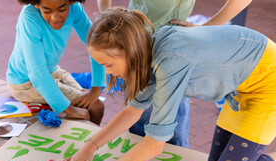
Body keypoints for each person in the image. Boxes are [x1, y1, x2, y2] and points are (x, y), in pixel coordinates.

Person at [59, 8, 276, 161]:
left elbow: (155, 143)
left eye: (108, 64)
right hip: (244, 85)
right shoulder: (147, 51)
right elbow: (131, 113)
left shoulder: (169, 61)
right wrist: (90, 147)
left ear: (130, 53)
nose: (107, 72)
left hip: (269, 82)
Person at [97, 0, 252, 148]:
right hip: (136, 57)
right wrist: (109, 26)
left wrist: (205, 28)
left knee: (170, 141)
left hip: (170, 62)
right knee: (138, 131)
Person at [6, 0, 106, 125]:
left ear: (71, 1)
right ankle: (82, 144)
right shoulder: (29, 18)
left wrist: (96, 90)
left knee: (97, 107)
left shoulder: (75, 9)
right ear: (36, 4)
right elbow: (37, 74)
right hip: (25, 83)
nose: (55, 18)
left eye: (62, 9)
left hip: (52, 71)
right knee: (84, 114)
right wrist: (69, 110)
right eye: (47, 11)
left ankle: (93, 144)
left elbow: (96, 45)